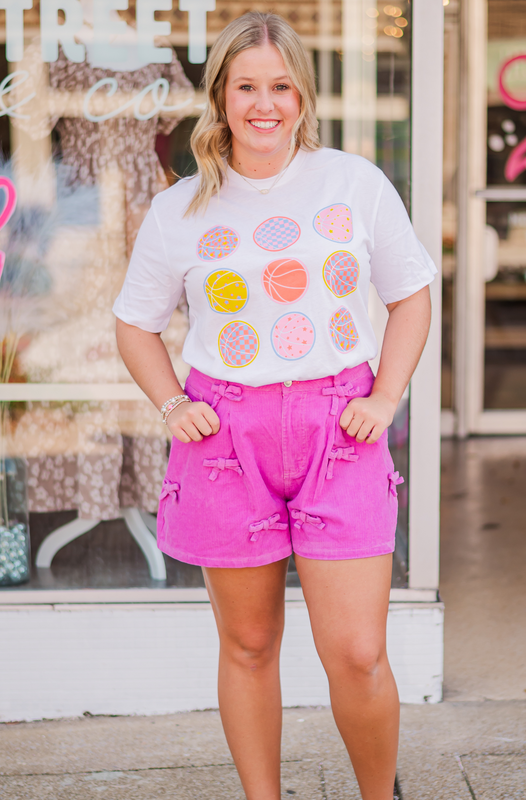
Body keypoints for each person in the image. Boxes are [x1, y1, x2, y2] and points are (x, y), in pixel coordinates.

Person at [113, 11, 435, 800]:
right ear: (220, 96)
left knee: (357, 651)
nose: (265, 104)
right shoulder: (180, 209)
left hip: (341, 428)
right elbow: (135, 322)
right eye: (247, 86)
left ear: (303, 96)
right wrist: (168, 403)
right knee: (251, 644)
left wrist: (387, 394)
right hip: (227, 437)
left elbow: (412, 295)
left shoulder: (353, 183)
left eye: (281, 87)